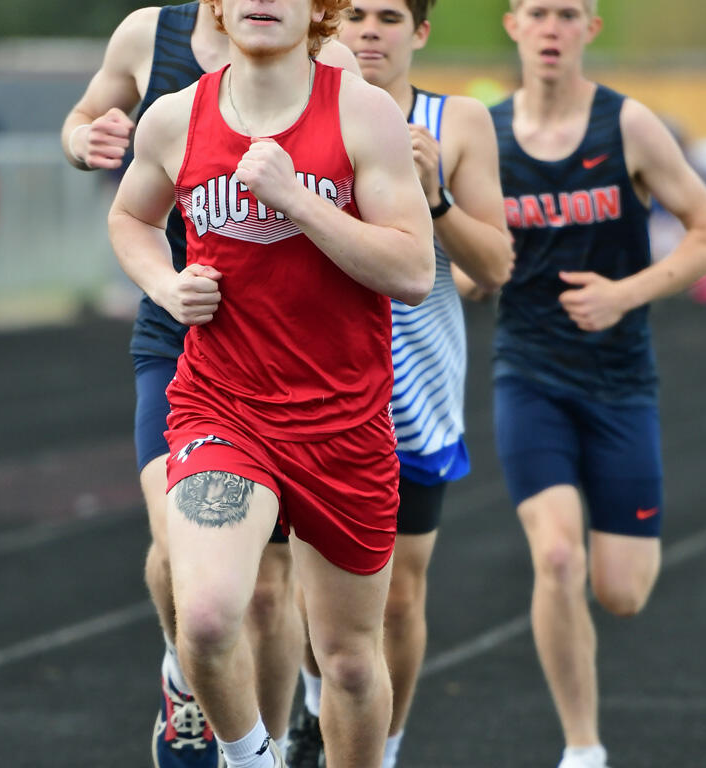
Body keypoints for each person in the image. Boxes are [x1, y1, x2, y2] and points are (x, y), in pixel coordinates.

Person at [107, 0, 435, 766]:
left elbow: (414, 270)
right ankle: (252, 757)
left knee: (348, 661)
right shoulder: (175, 118)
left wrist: (296, 199)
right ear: (218, 6)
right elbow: (131, 218)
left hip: (343, 423)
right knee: (208, 618)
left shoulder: (363, 114)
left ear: (318, 9)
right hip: (222, 407)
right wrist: (165, 284)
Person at [60, 4, 361, 766]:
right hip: (181, 330)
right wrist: (83, 139)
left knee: (268, 588)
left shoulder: (324, 58)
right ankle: (185, 672)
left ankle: (260, 745)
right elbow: (86, 120)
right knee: (180, 546)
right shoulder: (149, 34)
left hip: (290, 351)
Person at [490, 2, 706, 767]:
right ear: (513, 24)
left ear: (590, 28)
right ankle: (583, 748)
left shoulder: (626, 125)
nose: (552, 27)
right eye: (538, 12)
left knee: (622, 592)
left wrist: (624, 294)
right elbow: (464, 257)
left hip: (620, 381)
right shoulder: (485, 136)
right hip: (529, 375)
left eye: (568, 13)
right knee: (558, 557)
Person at [285, 2, 513, 766]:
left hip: (414, 396)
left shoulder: (458, 123)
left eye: (390, 16)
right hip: (308, 384)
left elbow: (494, 269)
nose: (370, 30)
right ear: (329, 25)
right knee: (306, 597)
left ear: (419, 32)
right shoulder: (289, 109)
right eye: (354, 13)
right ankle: (314, 710)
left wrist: (435, 195)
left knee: (400, 597)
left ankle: (383, 750)